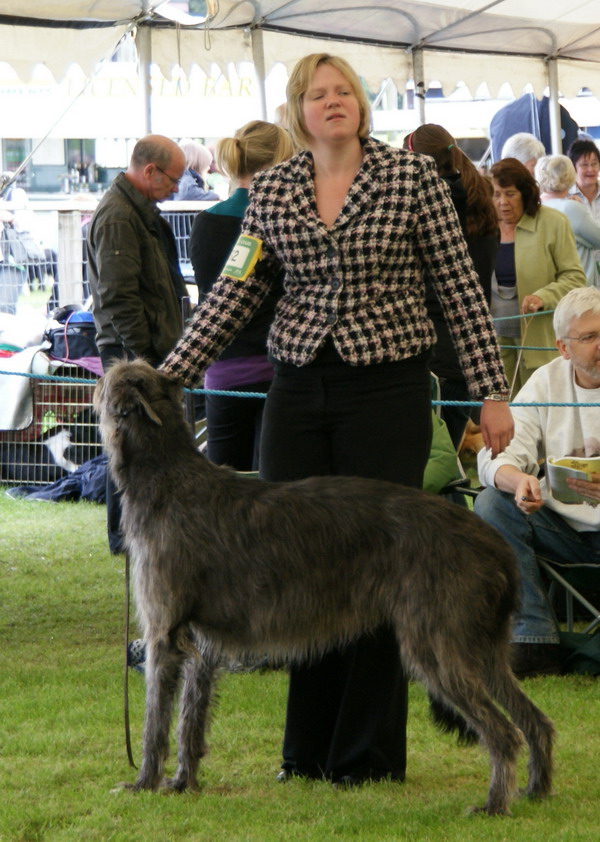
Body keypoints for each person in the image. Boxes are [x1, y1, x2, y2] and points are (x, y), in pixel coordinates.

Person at [160, 52, 513, 788]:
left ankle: (367, 755)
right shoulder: (278, 188)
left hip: (385, 393)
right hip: (298, 394)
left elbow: (457, 289)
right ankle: (307, 753)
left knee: (382, 568)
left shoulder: (410, 179)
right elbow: (233, 293)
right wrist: (169, 379)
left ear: (360, 103)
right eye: (317, 94)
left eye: (343, 90)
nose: (333, 102)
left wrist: (491, 388)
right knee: (297, 573)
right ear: (299, 110)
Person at [474, 286, 600, 678]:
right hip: (566, 532)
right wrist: (520, 481)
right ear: (563, 348)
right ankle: (534, 639)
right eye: (590, 337)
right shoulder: (546, 382)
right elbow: (493, 457)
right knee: (492, 502)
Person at [87, 134, 188, 553]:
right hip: (130, 357)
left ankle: (143, 531)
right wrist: (142, 362)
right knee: (129, 451)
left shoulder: (138, 211)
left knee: (149, 448)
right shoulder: (118, 217)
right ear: (150, 171)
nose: (176, 187)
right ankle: (123, 538)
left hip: (143, 351)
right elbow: (117, 296)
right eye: (173, 179)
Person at [189, 120, 295, 470]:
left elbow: (211, 297)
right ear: (282, 160)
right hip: (278, 369)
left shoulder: (206, 222)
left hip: (223, 368)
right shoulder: (289, 221)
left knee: (224, 488)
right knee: (277, 485)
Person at [404, 123, 498, 446]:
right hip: (466, 354)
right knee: (445, 463)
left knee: (436, 467)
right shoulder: (480, 200)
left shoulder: (430, 206)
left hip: (437, 353)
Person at [490, 157, 586, 393]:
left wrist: (543, 296)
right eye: (496, 194)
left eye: (510, 194)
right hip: (495, 343)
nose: (503, 202)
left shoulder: (553, 222)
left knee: (542, 411)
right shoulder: (484, 226)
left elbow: (574, 277)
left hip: (539, 341)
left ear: (525, 193)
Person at [536, 154, 600, 288]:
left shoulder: (536, 207)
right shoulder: (571, 207)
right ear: (570, 175)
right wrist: (583, 209)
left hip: (549, 287)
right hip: (578, 287)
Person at [567, 138, 600, 220]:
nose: (591, 169)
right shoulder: (566, 196)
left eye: (594, 163)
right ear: (573, 167)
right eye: (584, 165)